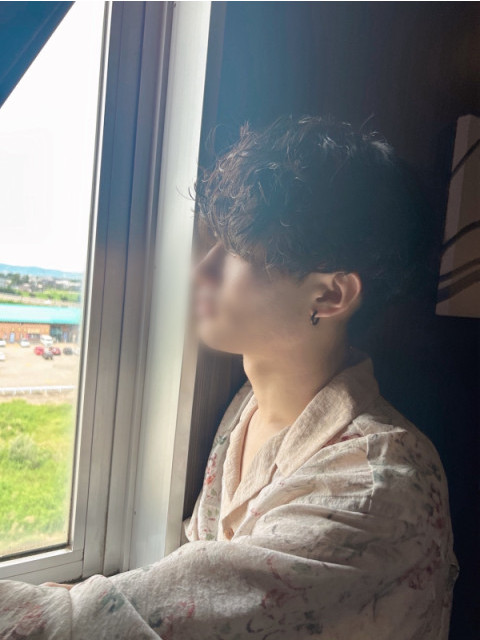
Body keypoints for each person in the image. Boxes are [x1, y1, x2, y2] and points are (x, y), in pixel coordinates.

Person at [0, 115, 458, 639]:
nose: (203, 271)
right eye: (214, 243)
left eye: (237, 252)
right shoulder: (250, 409)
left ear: (330, 295)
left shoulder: (375, 485)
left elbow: (119, 620)